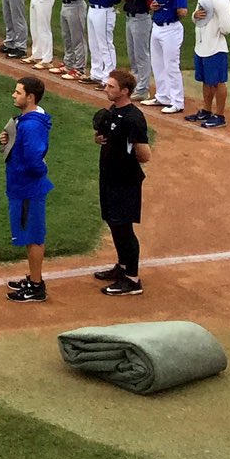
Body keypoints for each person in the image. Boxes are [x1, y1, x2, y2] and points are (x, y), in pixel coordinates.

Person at [93, 69, 154, 295]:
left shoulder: (133, 118)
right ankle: (122, 265)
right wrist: (100, 138)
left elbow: (144, 154)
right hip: (109, 177)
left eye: (111, 86)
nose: (106, 89)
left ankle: (132, 278)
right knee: (112, 222)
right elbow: (104, 138)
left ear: (124, 91)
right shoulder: (113, 111)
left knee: (123, 227)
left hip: (125, 181)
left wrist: (124, 155)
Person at [2, 76, 54, 302]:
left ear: (30, 97)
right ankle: (33, 277)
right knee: (30, 234)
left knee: (33, 236)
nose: (14, 95)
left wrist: (39, 171)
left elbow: (34, 159)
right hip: (22, 186)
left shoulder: (31, 125)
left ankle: (36, 285)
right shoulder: (26, 120)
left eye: (18, 92)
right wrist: (8, 140)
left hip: (28, 188)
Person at [190, 0, 230, 127]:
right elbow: (196, 18)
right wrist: (195, 16)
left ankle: (220, 115)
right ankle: (206, 111)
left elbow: (227, 28)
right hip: (201, 46)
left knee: (218, 82)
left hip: (216, 47)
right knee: (206, 81)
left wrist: (214, 30)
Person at [149, 0, 188, 115]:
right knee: (157, 63)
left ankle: (177, 101)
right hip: (157, 25)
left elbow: (183, 11)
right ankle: (162, 96)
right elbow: (154, 1)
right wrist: (154, 6)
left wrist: (172, 8)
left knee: (171, 65)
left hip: (171, 28)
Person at [121, 0, 155, 100]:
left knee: (142, 55)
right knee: (133, 54)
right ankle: (136, 84)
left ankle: (143, 89)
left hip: (141, 18)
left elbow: (149, 1)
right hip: (130, 17)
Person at [86, 0, 121, 85]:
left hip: (104, 11)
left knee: (105, 44)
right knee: (93, 43)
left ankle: (109, 77)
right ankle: (96, 73)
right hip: (93, 8)